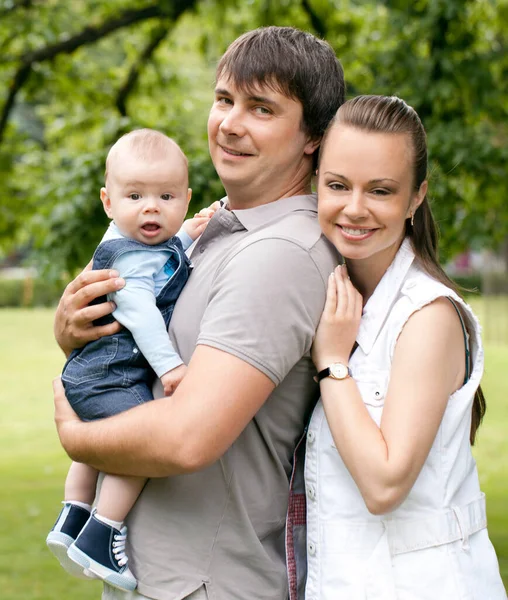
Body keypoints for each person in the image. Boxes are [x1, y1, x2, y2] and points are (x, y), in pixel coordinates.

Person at [51, 27, 345, 600]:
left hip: (208, 583)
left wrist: (72, 431)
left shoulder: (279, 253)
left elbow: (187, 437)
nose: (231, 124)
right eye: (224, 99)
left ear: (312, 136)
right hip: (162, 577)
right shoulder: (209, 235)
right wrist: (76, 333)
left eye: (261, 108)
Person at [306, 95, 506, 599]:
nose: (354, 208)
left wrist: (333, 364)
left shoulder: (427, 316)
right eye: (337, 185)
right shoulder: (332, 293)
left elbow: (385, 485)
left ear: (416, 198)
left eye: (380, 190)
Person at [46, 128, 214, 592]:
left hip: (90, 373)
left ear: (185, 198)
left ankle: (72, 517)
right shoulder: (126, 257)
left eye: (166, 196)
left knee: (100, 447)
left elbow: (157, 256)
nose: (151, 207)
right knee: (137, 446)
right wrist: (171, 367)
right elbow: (139, 304)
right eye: (135, 195)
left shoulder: (130, 242)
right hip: (112, 374)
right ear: (108, 201)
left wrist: (184, 235)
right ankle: (103, 531)